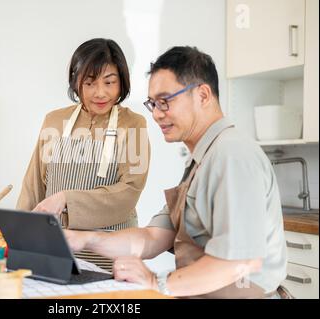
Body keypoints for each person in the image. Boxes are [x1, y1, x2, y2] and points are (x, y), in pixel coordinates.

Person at [64, 46, 288, 298]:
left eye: (165, 101)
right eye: (153, 104)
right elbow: (153, 237)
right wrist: (83, 239)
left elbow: (238, 262)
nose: (157, 114)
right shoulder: (201, 160)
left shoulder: (231, 155)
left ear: (203, 95)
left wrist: (155, 282)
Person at [17, 38, 150, 271]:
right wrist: (18, 236)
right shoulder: (54, 121)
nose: (100, 93)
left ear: (122, 83)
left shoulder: (134, 125)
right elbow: (34, 187)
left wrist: (67, 198)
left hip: (112, 255)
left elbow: (129, 192)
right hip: (57, 249)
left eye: (109, 82)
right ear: (76, 82)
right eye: (90, 83)